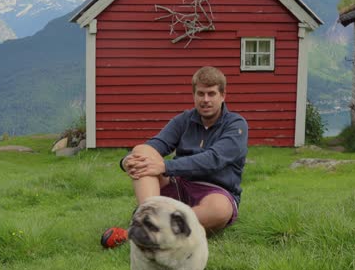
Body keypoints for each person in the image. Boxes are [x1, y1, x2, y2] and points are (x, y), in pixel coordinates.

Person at [102, 66, 248, 248]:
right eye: (200, 94)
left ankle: (146, 230)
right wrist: (126, 161)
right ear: (194, 95)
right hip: (179, 186)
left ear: (223, 95)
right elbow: (155, 145)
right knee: (141, 150)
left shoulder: (236, 124)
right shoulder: (184, 120)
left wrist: (166, 167)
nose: (206, 100)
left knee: (219, 210)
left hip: (215, 191)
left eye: (211, 94)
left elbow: (214, 159)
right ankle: (150, 218)